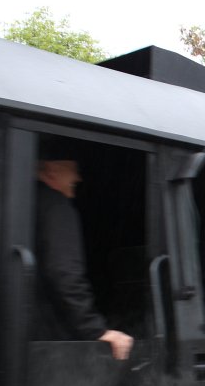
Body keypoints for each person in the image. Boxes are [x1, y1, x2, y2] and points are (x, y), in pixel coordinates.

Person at [35, 154, 133, 360]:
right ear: (52, 170)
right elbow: (64, 271)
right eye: (73, 170)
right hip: (51, 337)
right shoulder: (56, 206)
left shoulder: (29, 201)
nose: (78, 178)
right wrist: (96, 330)